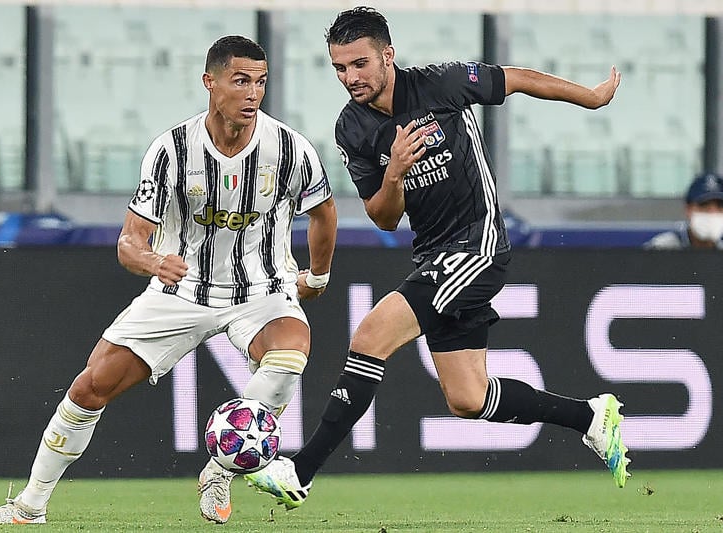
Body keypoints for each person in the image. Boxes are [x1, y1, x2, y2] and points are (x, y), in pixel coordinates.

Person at [244, 6, 630, 510]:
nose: (350, 77)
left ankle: (300, 470)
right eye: (339, 68)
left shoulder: (441, 85)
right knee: (467, 397)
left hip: (478, 244)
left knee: (370, 336)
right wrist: (395, 171)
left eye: (359, 64)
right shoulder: (352, 128)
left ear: (388, 55)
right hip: (432, 254)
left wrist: (592, 98)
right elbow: (383, 217)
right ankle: (590, 419)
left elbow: (516, 79)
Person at [0, 35, 337, 525]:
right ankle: (28, 508)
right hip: (180, 291)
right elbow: (128, 242)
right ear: (210, 82)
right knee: (89, 388)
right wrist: (152, 262)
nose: (253, 93)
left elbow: (324, 213)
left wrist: (318, 275)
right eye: (241, 80)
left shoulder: (289, 148)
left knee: (289, 356)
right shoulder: (172, 150)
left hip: (261, 291)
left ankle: (220, 470)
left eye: (261, 82)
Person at [644, 172, 723, 249]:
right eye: (704, 205)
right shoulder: (662, 248)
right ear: (688, 209)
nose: (712, 212)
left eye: (720, 206)